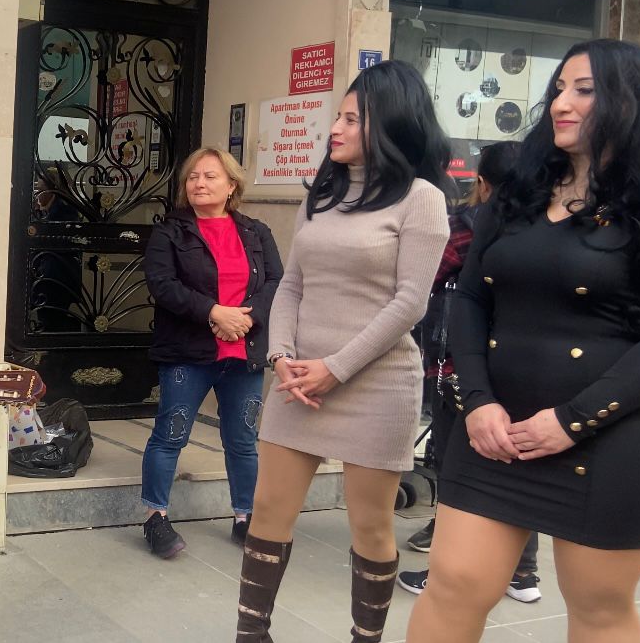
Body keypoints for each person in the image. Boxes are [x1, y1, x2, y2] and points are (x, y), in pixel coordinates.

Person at [407, 39, 640, 643]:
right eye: (559, 89)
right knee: (453, 584)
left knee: (598, 606)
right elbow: (471, 298)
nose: (561, 104)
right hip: (493, 429)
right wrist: (477, 401)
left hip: (610, 434)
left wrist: (574, 420)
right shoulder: (520, 191)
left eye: (584, 90)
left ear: (632, 102)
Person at [234, 60, 452, 643]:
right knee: (267, 512)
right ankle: (251, 635)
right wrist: (281, 357)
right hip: (297, 381)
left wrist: (336, 368)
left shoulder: (421, 199)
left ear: (390, 123)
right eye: (338, 116)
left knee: (371, 526)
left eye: (352, 119)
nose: (335, 128)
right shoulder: (322, 195)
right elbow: (291, 285)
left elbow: (410, 303)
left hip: (377, 385)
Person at [397, 141, 544, 603]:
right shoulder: (549, 226)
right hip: (527, 368)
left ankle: (445, 572)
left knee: (458, 470)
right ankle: (523, 574)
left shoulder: (469, 226)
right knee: (515, 467)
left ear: (482, 182)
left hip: (463, 368)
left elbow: (429, 276)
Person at [140, 147, 283, 557]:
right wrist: (214, 313)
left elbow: (276, 282)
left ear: (232, 186)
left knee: (243, 439)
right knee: (171, 435)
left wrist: (245, 320)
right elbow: (162, 285)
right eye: (193, 177)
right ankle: (155, 518)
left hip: (244, 353)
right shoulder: (170, 232)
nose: (199, 183)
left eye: (210, 176)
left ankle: (245, 518)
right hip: (188, 353)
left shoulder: (257, 232)